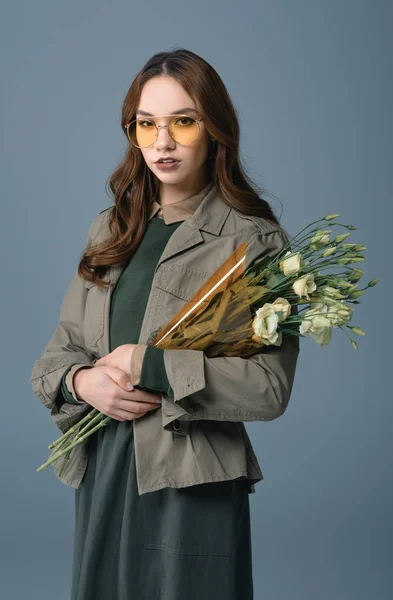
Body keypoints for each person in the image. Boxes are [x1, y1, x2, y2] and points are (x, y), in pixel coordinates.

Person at [31, 48, 300, 600]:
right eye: (146, 124)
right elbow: (57, 356)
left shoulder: (252, 240)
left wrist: (149, 365)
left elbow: (269, 390)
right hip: (104, 462)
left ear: (215, 128)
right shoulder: (110, 229)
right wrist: (80, 382)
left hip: (191, 476)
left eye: (183, 121)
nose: (163, 142)